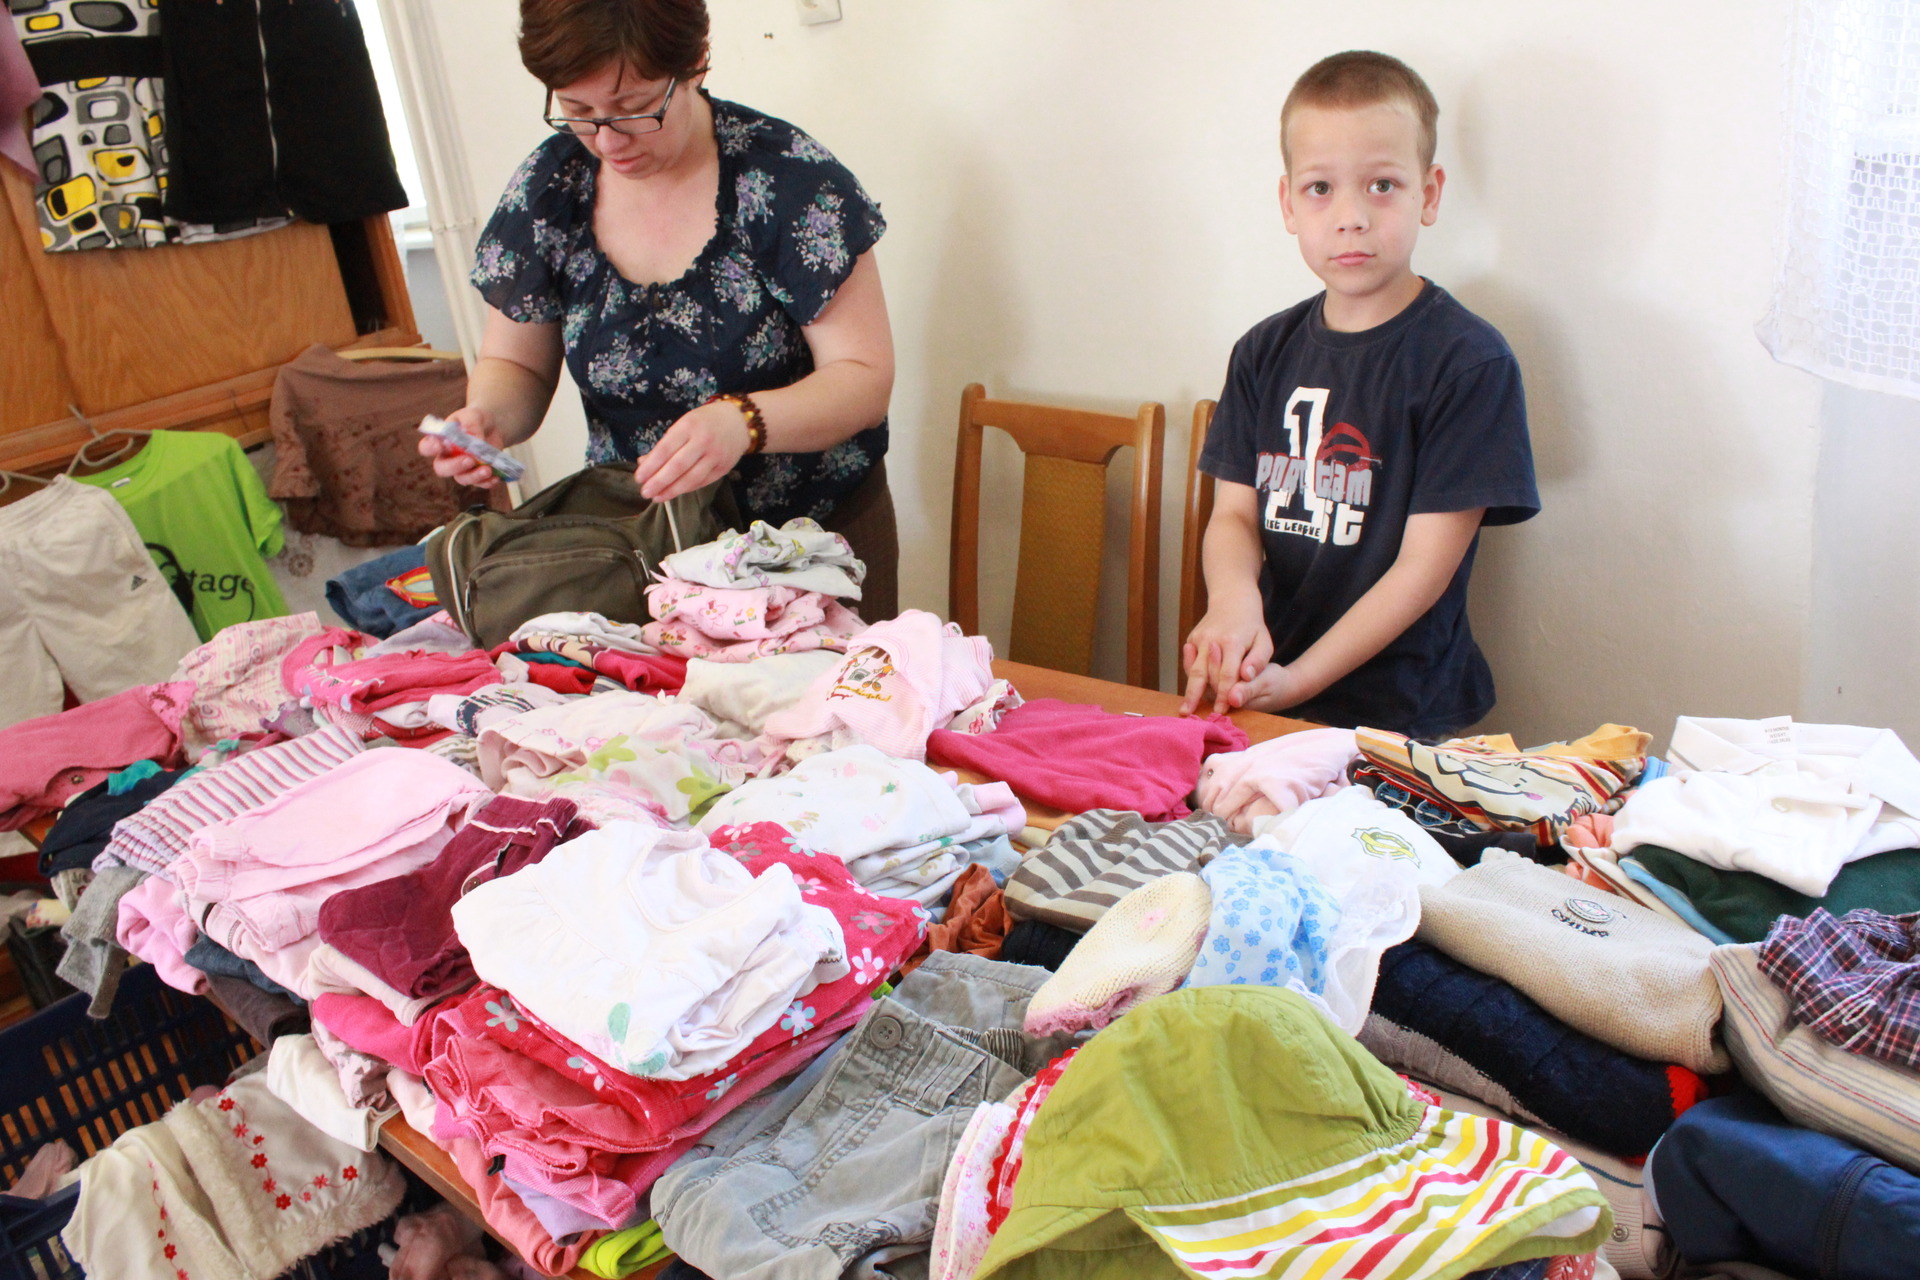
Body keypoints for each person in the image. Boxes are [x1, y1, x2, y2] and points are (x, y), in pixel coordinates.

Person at [421, 0, 900, 618]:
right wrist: (487, 418)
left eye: (634, 108)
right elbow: (518, 365)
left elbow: (863, 377)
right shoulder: (552, 189)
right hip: (644, 548)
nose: (607, 140)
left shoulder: (788, 180)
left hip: (809, 544)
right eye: (578, 111)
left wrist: (743, 423)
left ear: (695, 63)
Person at [1178, 50, 1538, 738]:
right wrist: (1232, 603)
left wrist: (1300, 681)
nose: (1351, 216)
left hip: (1401, 716)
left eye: (1381, 185)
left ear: (1428, 194)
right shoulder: (1261, 351)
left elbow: (1422, 570)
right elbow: (1234, 517)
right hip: (1266, 686)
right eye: (1320, 188)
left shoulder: (1468, 362)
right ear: (1288, 203)